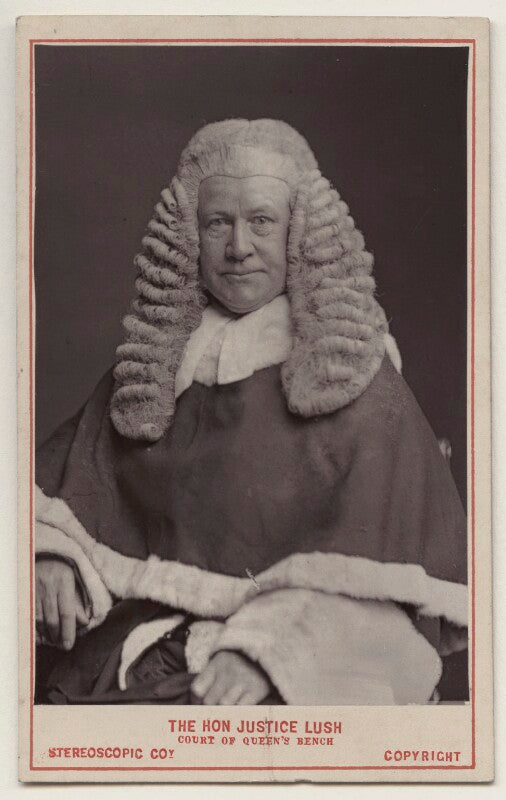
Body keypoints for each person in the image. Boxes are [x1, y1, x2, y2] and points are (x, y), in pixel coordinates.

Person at [34, 118, 467, 705]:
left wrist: (270, 653)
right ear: (189, 235)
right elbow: (72, 487)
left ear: (299, 231)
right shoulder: (159, 366)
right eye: (218, 223)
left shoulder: (359, 377)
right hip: (148, 639)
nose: (238, 248)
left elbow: (377, 584)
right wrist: (52, 553)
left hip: (300, 662)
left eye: (261, 221)